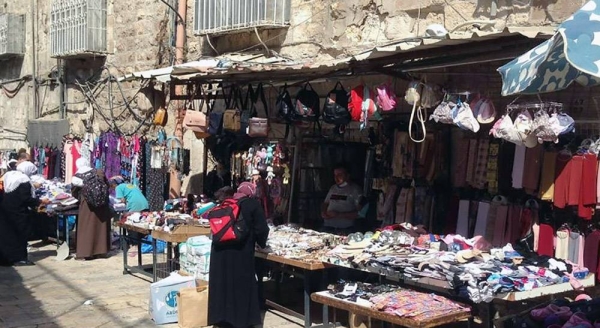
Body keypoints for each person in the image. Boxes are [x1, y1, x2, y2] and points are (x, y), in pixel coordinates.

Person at [208, 183, 270, 328]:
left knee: (222, 284)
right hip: (240, 252)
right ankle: (242, 321)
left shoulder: (226, 202)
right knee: (240, 285)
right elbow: (262, 229)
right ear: (251, 193)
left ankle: (220, 319)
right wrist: (262, 243)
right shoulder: (252, 204)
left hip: (219, 253)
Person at [0, 161, 49, 266]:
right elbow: (25, 198)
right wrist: (40, 201)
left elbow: (15, 192)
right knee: (20, 235)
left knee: (7, 235)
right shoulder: (24, 180)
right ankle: (19, 258)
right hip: (18, 212)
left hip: (6, 210)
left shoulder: (9, 175)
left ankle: (6, 258)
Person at [71, 158, 111, 260]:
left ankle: (86, 252)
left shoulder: (77, 176)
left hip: (87, 205)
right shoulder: (99, 172)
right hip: (102, 204)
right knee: (101, 228)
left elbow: (74, 193)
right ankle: (101, 251)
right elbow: (107, 185)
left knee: (86, 228)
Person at [109, 176, 149, 257]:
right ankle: (140, 243)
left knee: (131, 224)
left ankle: (134, 245)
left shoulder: (118, 187)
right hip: (145, 204)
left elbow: (121, 201)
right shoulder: (129, 185)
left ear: (114, 184)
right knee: (140, 223)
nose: (111, 188)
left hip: (135, 206)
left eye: (111, 186)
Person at [321, 163, 364, 235]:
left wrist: (338, 215)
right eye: (335, 175)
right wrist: (323, 212)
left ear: (347, 176)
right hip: (328, 227)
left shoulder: (356, 190)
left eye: (340, 175)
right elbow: (325, 203)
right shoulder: (333, 188)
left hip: (345, 229)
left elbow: (361, 213)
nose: (336, 178)